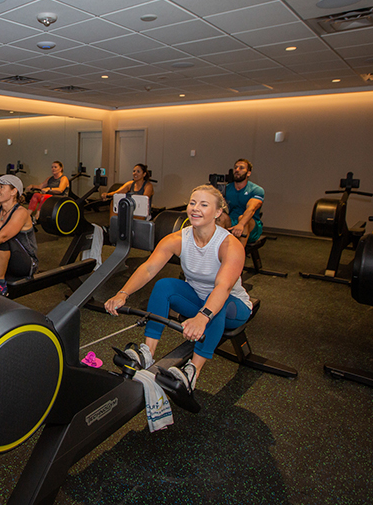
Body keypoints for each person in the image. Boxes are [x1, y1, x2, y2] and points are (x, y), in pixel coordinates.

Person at [104, 184, 253, 393]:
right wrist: (123, 293)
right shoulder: (178, 239)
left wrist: (202, 316)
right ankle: (148, 352)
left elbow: (223, 287)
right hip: (197, 301)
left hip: (233, 307)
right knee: (164, 285)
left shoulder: (229, 245)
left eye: (204, 204)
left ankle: (193, 372)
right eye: (192, 203)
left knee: (216, 301)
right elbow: (148, 269)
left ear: (218, 212)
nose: (195, 208)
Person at [217, 158, 264, 246]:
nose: (237, 170)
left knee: (242, 218)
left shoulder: (256, 190)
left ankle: (240, 253)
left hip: (251, 226)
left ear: (248, 173)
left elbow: (251, 209)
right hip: (232, 222)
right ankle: (217, 250)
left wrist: (241, 224)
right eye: (236, 168)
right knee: (221, 217)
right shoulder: (227, 188)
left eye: (241, 168)